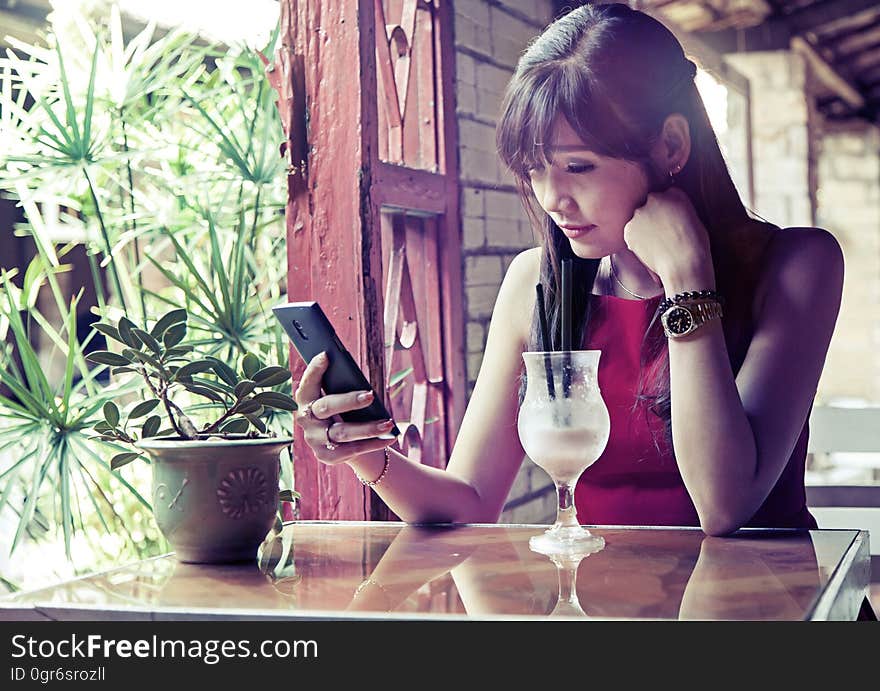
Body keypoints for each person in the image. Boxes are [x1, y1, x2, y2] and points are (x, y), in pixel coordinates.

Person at [293, 3, 843, 536]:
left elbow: (725, 507)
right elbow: (470, 500)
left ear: (671, 143)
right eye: (535, 170)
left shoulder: (797, 265)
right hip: (599, 610)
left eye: (579, 167)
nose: (553, 198)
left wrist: (687, 279)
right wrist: (365, 454)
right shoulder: (536, 282)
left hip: (768, 606)